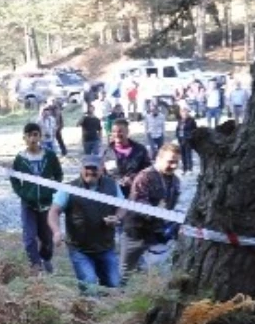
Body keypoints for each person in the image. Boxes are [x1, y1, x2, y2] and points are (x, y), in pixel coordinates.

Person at [48, 155, 125, 293]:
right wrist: (56, 231)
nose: (90, 172)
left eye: (94, 169)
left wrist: (117, 217)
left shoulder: (112, 185)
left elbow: (123, 205)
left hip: (106, 246)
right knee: (89, 286)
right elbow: (54, 211)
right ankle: (91, 311)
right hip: (80, 249)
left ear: (102, 169)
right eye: (87, 168)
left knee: (113, 285)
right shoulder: (69, 188)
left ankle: (107, 312)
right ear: (80, 169)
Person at [10, 122, 63, 273]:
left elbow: (58, 174)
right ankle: (35, 265)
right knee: (29, 237)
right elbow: (14, 179)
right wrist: (23, 193)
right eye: (29, 135)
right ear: (24, 138)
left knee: (47, 238)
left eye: (35, 135)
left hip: (46, 204)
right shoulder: (20, 159)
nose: (33, 138)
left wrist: (51, 190)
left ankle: (45, 258)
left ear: (40, 136)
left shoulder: (49, 156)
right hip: (29, 204)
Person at [122, 143, 181, 275]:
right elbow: (139, 205)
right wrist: (158, 211)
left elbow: (172, 206)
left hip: (157, 234)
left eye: (177, 162)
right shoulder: (145, 177)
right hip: (136, 233)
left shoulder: (176, 181)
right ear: (159, 159)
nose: (174, 166)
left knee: (157, 273)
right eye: (170, 162)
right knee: (124, 273)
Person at [102, 119, 151, 199]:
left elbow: (148, 170)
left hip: (136, 193)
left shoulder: (140, 150)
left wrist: (134, 178)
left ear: (127, 131)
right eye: (114, 131)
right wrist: (119, 181)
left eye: (120, 131)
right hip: (114, 194)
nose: (116, 134)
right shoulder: (107, 152)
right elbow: (104, 175)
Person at [174, 105, 197, 173]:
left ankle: (189, 169)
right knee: (182, 155)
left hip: (188, 140)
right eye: (182, 112)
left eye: (185, 112)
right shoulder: (180, 121)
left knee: (188, 154)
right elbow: (178, 130)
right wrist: (177, 136)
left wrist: (190, 137)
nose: (183, 113)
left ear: (187, 113)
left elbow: (195, 130)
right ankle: (184, 168)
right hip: (181, 139)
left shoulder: (191, 120)